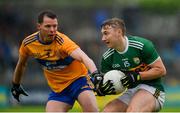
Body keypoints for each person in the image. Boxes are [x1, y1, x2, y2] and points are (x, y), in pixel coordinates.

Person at [11, 10, 100, 112]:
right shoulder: (28, 44)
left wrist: (95, 73)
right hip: (58, 89)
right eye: (48, 26)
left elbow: (84, 57)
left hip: (79, 81)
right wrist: (15, 84)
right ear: (39, 26)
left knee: (92, 110)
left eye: (55, 26)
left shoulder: (62, 41)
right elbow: (21, 64)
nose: (52, 30)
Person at [95, 17, 167, 112]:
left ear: (119, 32)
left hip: (153, 89)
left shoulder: (141, 45)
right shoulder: (107, 57)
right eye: (102, 34)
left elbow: (161, 71)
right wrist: (101, 89)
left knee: (133, 111)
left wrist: (137, 76)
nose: (103, 38)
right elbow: (109, 82)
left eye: (106, 33)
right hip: (131, 91)